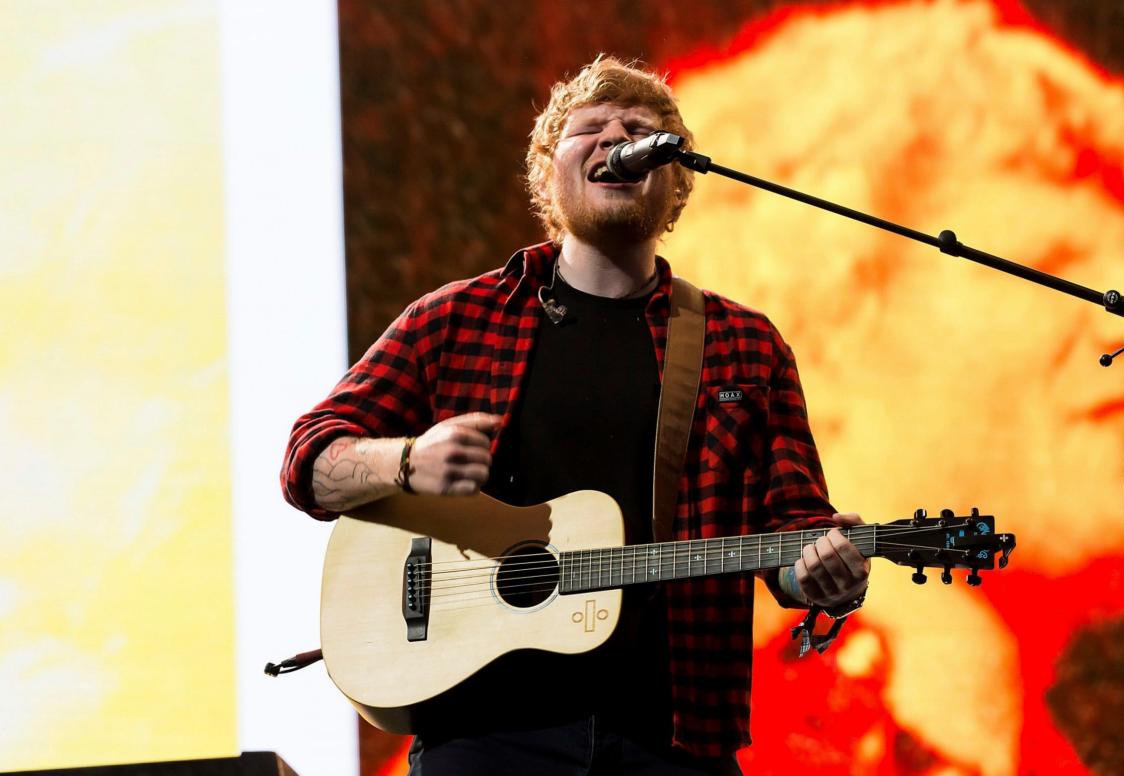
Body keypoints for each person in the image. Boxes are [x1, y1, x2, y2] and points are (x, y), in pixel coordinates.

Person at [281, 56, 870, 775]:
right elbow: (308, 460)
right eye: (588, 129)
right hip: (483, 735)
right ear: (547, 172)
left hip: (674, 739)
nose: (614, 139)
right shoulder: (456, 321)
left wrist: (827, 580)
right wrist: (406, 461)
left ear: (676, 175)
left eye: (640, 131)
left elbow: (795, 538)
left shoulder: (744, 345)